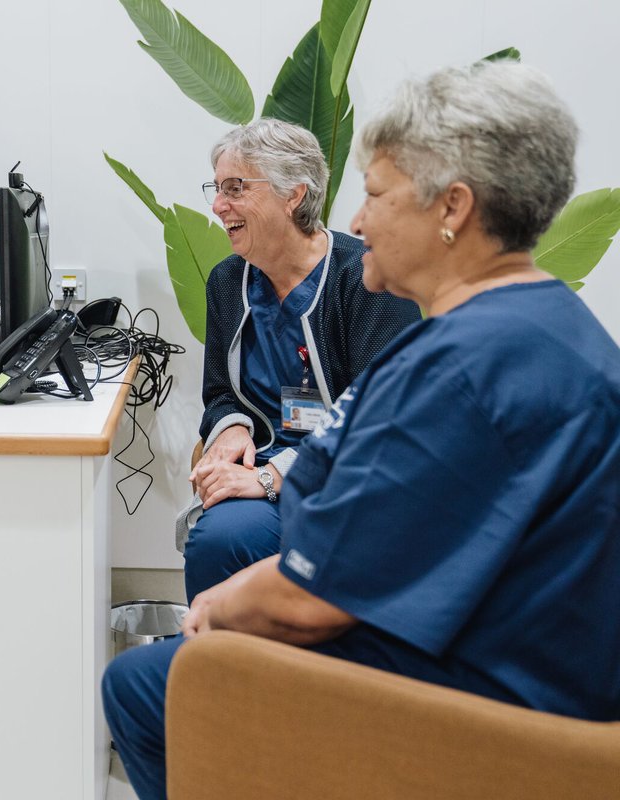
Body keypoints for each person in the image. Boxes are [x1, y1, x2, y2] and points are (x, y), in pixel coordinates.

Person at [104, 60, 620, 800]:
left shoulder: (459, 367)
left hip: (480, 709)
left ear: (454, 208)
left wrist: (221, 608)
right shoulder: (547, 328)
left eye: (376, 195)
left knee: (152, 686)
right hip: (508, 658)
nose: (356, 221)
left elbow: (316, 598)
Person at [178, 118, 418, 602]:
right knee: (220, 539)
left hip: (346, 486)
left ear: (293, 194)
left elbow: (380, 423)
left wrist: (270, 478)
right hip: (260, 474)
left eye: (235, 188)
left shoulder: (368, 281)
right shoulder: (228, 282)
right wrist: (230, 430)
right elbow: (221, 392)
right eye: (217, 188)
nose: (218, 205)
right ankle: (223, 671)